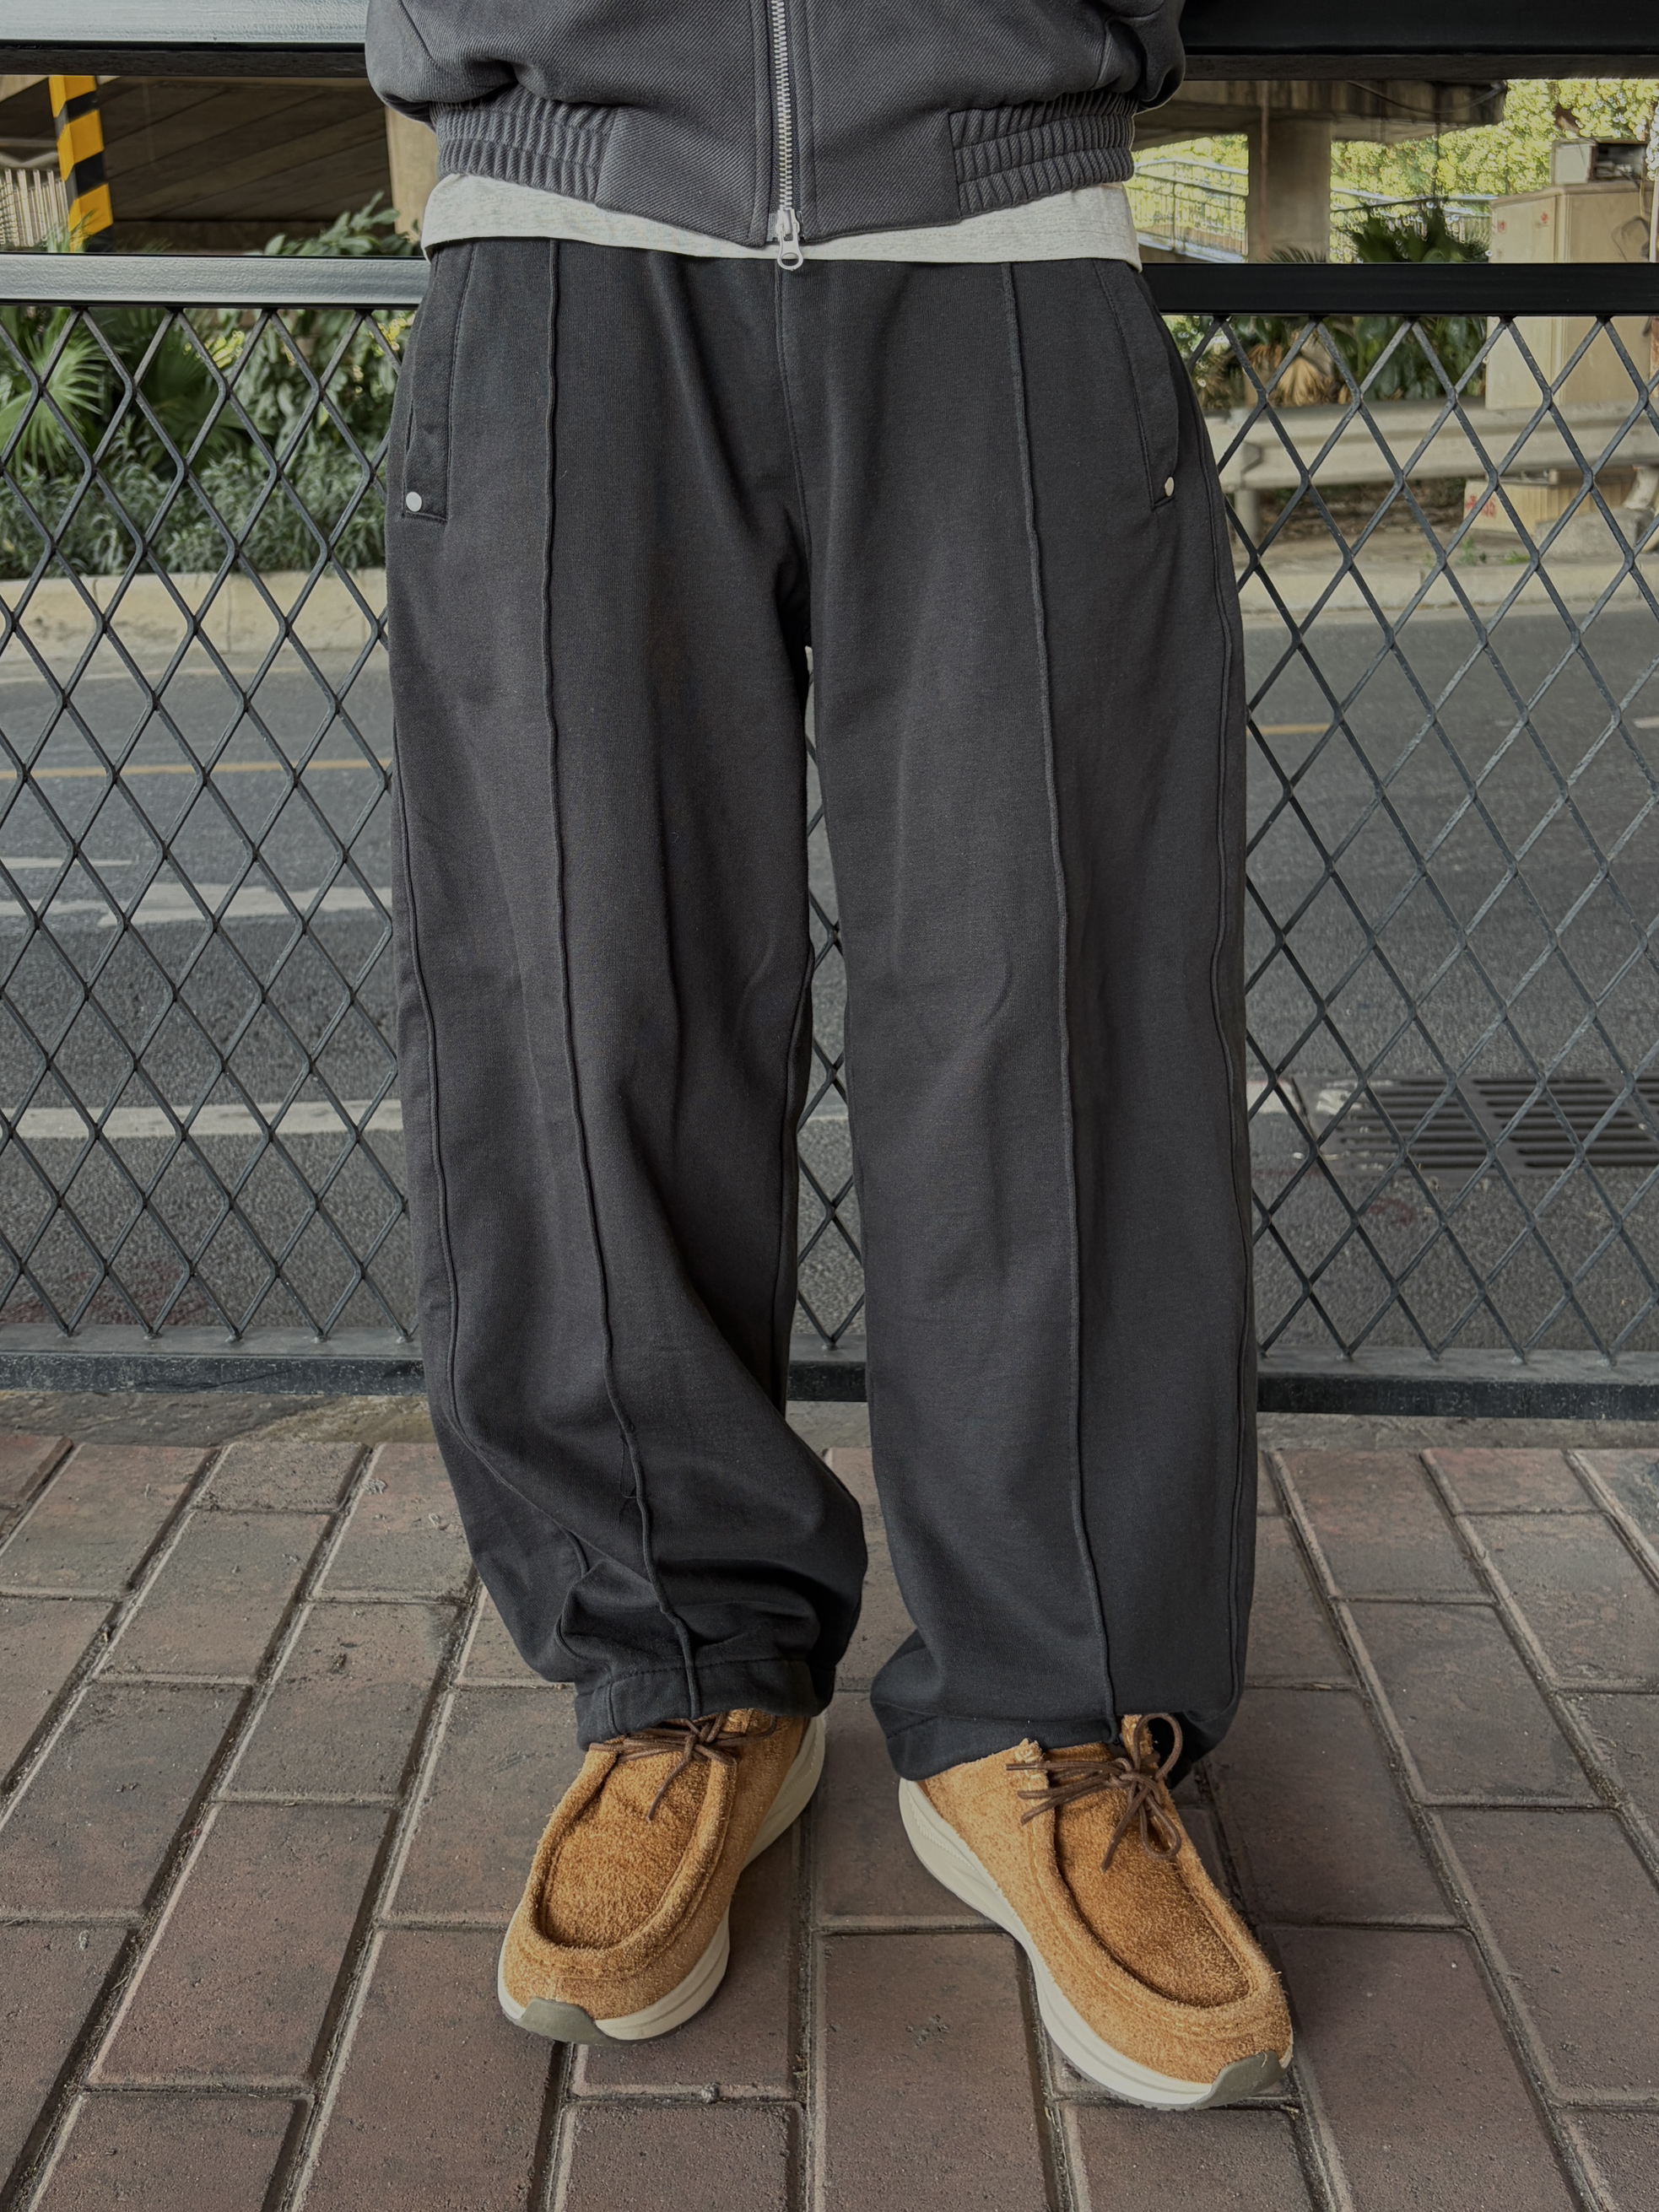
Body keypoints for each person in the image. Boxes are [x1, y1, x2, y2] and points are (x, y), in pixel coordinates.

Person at [367, 0, 1290, 2107]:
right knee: (577, 1009)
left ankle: (1056, 1712)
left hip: (996, 215)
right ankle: (675, 1672)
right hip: (565, 218)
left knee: (1054, 1021)